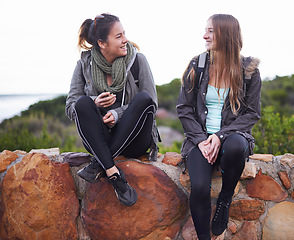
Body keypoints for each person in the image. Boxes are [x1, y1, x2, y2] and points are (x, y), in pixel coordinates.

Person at [176, 14, 261, 239]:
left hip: (232, 138)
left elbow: (252, 113)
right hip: (200, 140)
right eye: (206, 30)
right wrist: (202, 140)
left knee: (235, 146)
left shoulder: (249, 70)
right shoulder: (198, 65)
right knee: (200, 187)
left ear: (227, 34)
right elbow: (184, 108)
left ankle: (225, 198)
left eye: (211, 31)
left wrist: (220, 136)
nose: (205, 35)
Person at [65, 13, 160, 207]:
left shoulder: (138, 60)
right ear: (102, 43)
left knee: (144, 99)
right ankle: (114, 175)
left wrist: (118, 114)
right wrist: (95, 103)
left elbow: (152, 104)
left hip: (135, 140)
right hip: (100, 138)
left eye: (124, 34)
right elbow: (71, 107)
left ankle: (101, 164)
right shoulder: (84, 65)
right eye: (118, 36)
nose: (125, 39)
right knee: (82, 103)